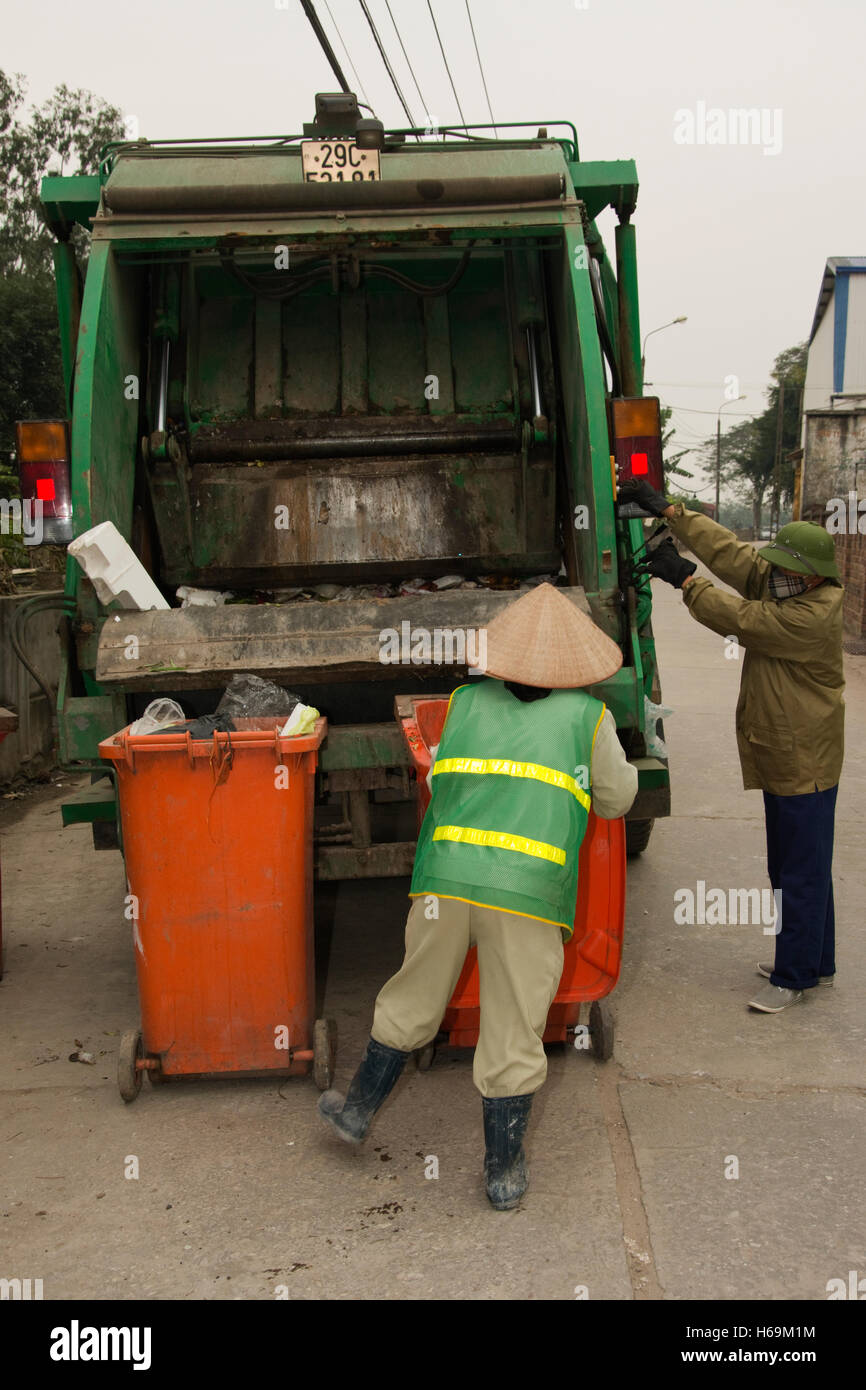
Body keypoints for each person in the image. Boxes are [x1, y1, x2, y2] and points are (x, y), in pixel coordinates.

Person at [317, 582, 638, 1209]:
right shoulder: (587, 718)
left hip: (443, 881)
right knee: (515, 1023)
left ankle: (355, 1113)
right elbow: (618, 799)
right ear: (574, 665)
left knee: (414, 993)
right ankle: (503, 1172)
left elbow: (441, 776)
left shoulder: (463, 701)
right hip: (524, 893)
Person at [620, 479, 844, 1014]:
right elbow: (736, 554)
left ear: (812, 575)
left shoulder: (809, 615)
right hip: (787, 752)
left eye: (788, 570)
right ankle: (818, 963)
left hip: (803, 759)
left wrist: (686, 579)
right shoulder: (791, 583)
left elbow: (741, 618)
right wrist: (673, 512)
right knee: (799, 863)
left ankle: (793, 977)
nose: (776, 575)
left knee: (798, 870)